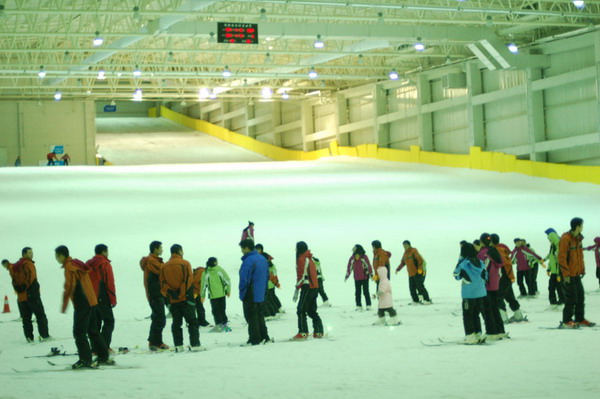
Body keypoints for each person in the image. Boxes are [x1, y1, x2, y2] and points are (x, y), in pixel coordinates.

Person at [56, 245, 114, 369]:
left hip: (82, 302)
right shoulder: (77, 263)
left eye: (57, 256)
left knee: (79, 332)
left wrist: (64, 304)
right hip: (92, 300)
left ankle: (85, 359)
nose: (57, 259)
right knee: (93, 331)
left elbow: (69, 286)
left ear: (61, 256)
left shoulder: (69, 267)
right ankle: (104, 356)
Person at [160, 244, 202, 352]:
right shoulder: (185, 263)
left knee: (176, 323)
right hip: (186, 299)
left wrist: (171, 292)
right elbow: (188, 281)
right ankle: (195, 345)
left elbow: (162, 284)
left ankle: (178, 346)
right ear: (179, 251)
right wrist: (181, 293)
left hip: (173, 301)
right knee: (192, 322)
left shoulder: (164, 266)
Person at [4, 247, 51, 342]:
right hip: (32, 294)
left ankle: (29, 337)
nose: (32, 254)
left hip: (21, 297)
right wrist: (26, 287)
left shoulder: (15, 266)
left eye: (32, 252)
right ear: (24, 254)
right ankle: (44, 335)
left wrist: (19, 289)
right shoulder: (28, 264)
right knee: (40, 315)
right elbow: (31, 277)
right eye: (29, 253)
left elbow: (13, 277)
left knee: (26, 318)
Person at [558, 218, 595, 328]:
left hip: (576, 274)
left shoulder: (578, 239)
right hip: (568, 275)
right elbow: (561, 258)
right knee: (571, 298)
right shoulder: (566, 239)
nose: (582, 227)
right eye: (582, 225)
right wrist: (565, 274)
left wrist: (582, 269)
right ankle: (566, 321)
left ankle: (579, 318)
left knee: (580, 296)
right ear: (577, 226)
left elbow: (580, 256)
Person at [454, 243, 487, 344]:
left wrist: (459, 261)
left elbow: (456, 275)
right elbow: (486, 275)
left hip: (469, 293)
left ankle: (470, 336)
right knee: (476, 314)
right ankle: (478, 334)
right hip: (481, 292)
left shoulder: (464, 263)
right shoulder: (480, 262)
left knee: (468, 315)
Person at [238, 239, 270, 345]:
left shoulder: (248, 261)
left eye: (242, 249)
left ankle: (255, 338)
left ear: (246, 248)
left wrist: (242, 293)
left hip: (250, 292)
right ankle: (264, 336)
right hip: (261, 291)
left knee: (251, 316)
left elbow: (244, 279)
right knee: (259, 315)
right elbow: (267, 276)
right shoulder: (262, 259)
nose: (241, 251)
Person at [86, 244, 116, 351]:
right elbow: (109, 283)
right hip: (103, 296)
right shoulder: (104, 264)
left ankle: (94, 348)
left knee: (95, 323)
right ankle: (103, 347)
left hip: (90, 297)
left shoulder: (88, 264)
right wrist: (113, 299)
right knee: (109, 321)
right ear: (103, 252)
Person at [140, 241, 170, 351]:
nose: (162, 250)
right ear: (155, 249)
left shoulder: (154, 261)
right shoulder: (152, 261)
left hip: (156, 293)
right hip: (155, 293)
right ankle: (156, 342)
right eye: (161, 248)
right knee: (160, 318)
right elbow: (163, 271)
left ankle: (154, 342)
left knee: (157, 317)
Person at [292, 241, 324, 340]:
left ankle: (303, 332)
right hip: (314, 287)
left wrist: (297, 289)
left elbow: (302, 276)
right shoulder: (310, 258)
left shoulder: (302, 259)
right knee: (311, 311)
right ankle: (318, 331)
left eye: (296, 248)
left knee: (301, 310)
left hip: (307, 287)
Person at [478, 233, 507, 340]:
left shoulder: (483, 253)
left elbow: (481, 268)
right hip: (495, 284)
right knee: (495, 308)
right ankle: (500, 330)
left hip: (486, 285)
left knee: (487, 309)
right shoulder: (494, 251)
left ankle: (491, 332)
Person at [491, 234, 525, 323]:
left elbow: (506, 264)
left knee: (498, 296)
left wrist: (506, 275)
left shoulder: (497, 250)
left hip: (503, 277)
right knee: (509, 296)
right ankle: (518, 315)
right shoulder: (502, 248)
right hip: (507, 277)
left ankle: (503, 317)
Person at [395, 240, 431, 305]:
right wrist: (398, 269)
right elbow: (403, 262)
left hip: (417, 272)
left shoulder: (414, 251)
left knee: (420, 286)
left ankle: (427, 300)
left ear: (409, 245)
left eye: (405, 245)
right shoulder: (405, 253)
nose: (404, 246)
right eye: (403, 245)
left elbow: (420, 260)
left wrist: (420, 269)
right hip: (411, 273)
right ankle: (415, 300)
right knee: (412, 288)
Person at [201, 257, 232, 332]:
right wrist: (228, 290)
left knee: (215, 311)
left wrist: (202, 296)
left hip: (213, 296)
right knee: (222, 309)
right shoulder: (219, 270)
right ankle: (224, 324)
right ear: (215, 262)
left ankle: (218, 325)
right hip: (221, 294)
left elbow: (203, 286)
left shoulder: (205, 272)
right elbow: (227, 280)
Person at [256, 244, 283, 316]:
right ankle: (277, 309)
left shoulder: (263, 258)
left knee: (268, 298)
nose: (257, 251)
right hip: (270, 282)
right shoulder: (265, 258)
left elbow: (271, 272)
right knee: (271, 297)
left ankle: (272, 312)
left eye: (258, 249)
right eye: (256, 249)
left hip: (268, 282)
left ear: (261, 249)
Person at [345, 244, 373, 311]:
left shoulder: (364, 257)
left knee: (366, 291)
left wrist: (371, 274)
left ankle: (368, 305)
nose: (353, 250)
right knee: (357, 292)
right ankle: (358, 305)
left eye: (354, 248)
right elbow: (349, 267)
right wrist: (347, 275)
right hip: (357, 278)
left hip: (365, 277)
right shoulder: (352, 258)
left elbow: (368, 265)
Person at [544, 228, 565, 309]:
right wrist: (549, 268)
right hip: (553, 272)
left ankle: (562, 302)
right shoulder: (553, 246)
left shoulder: (559, 246)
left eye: (549, 238)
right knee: (551, 287)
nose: (548, 240)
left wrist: (559, 272)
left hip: (559, 272)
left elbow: (560, 260)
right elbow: (552, 258)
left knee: (560, 287)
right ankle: (553, 303)